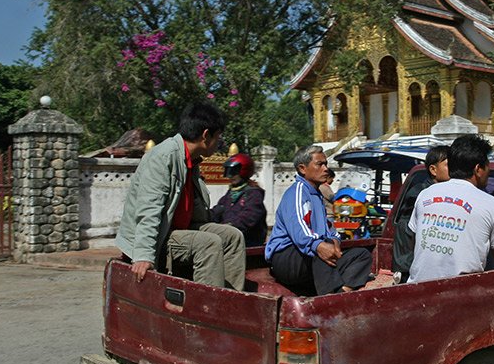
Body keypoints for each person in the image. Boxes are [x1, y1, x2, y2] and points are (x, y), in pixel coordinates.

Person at [115, 103, 245, 290]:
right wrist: (143, 256)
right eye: (218, 137)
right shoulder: (163, 157)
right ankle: (207, 309)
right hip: (160, 234)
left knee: (233, 237)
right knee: (208, 244)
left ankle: (233, 300)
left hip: (180, 230)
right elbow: (148, 210)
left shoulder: (192, 160)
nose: (219, 143)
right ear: (205, 135)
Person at [407, 135, 494, 283]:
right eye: (487, 167)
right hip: (461, 293)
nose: (488, 173)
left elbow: (415, 240)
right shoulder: (492, 205)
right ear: (478, 169)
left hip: (417, 289)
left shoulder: (426, 194)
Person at [265, 146, 372, 294]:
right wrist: (320, 245)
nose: (326, 169)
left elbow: (329, 227)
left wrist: (335, 240)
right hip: (287, 258)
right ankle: (331, 297)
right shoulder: (296, 193)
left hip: (311, 257)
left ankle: (342, 290)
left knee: (362, 255)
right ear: (303, 168)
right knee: (320, 249)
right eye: (320, 164)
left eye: (326, 164)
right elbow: (300, 233)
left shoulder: (317, 195)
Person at [392, 145, 450, 283]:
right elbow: (407, 233)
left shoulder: (443, 192)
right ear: (433, 170)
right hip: (410, 265)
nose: (454, 170)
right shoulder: (421, 194)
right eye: (449, 165)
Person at [210, 152, 267, 247]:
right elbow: (218, 210)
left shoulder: (254, 194)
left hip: (247, 242)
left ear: (244, 171)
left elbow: (248, 218)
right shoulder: (229, 194)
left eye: (233, 172)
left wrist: (228, 227)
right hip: (230, 239)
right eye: (228, 172)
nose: (230, 176)